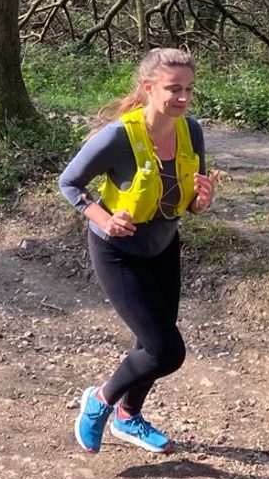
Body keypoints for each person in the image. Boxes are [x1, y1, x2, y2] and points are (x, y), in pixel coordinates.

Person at [58, 47, 221, 456]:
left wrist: (201, 202)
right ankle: (100, 400)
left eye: (189, 89)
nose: (183, 97)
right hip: (118, 251)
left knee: (150, 341)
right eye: (173, 89)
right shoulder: (119, 137)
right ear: (148, 88)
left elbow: (190, 201)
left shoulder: (191, 130)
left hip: (164, 246)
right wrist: (103, 218)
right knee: (166, 350)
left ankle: (128, 416)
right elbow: (69, 183)